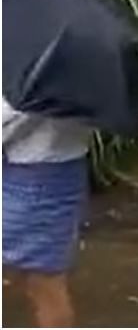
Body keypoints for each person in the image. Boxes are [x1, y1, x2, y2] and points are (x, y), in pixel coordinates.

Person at [3, 97, 94, 327]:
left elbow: (21, 106)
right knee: (43, 281)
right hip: (47, 164)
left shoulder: (49, 68)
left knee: (44, 283)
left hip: (39, 170)